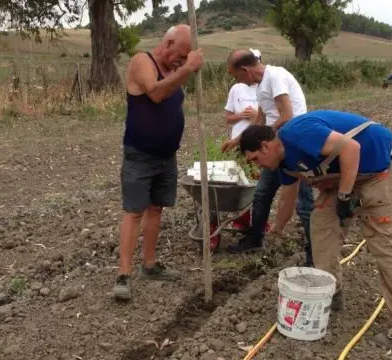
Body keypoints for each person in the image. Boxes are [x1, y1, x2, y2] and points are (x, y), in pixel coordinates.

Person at [236, 110, 392, 349]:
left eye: (254, 159)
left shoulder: (297, 133)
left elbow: (351, 148)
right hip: (345, 174)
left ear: (265, 146)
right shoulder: (284, 165)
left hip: (379, 165)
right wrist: (277, 231)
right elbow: (287, 199)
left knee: (383, 240)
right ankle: (329, 293)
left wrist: (345, 196)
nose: (257, 166)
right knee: (321, 223)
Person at [114, 24, 204, 301]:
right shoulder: (142, 61)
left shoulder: (174, 70)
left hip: (167, 156)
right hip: (140, 155)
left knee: (156, 209)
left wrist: (183, 70)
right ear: (167, 43)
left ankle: (149, 265)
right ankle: (124, 275)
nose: (181, 60)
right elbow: (155, 93)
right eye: (180, 54)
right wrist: (187, 69)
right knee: (134, 212)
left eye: (186, 56)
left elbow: (172, 99)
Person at [221, 49, 314, 263]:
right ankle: (255, 239)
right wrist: (238, 140)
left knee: (304, 204)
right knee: (262, 194)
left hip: (294, 145)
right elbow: (259, 120)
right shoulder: (261, 85)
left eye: (236, 76)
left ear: (245, 70)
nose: (238, 81)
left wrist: (264, 138)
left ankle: (314, 254)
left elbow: (287, 115)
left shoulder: (276, 76)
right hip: (273, 146)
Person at [223, 49, 267, 232]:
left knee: (258, 185)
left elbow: (267, 116)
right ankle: (242, 221)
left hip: (257, 143)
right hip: (239, 141)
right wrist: (241, 114)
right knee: (240, 184)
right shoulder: (236, 89)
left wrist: (257, 115)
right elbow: (228, 117)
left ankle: (259, 222)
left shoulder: (263, 86)